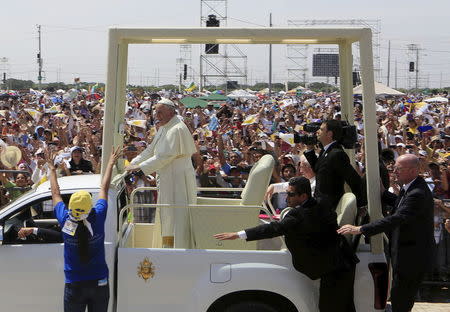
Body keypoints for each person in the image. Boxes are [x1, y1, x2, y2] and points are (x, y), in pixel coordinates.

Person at [214, 177, 358, 312]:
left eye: (291, 194)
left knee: (331, 308)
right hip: (343, 261)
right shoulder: (322, 203)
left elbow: (273, 229)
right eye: (286, 193)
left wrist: (238, 235)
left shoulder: (298, 215)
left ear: (303, 196)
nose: (286, 198)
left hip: (334, 269)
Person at [338, 154, 434, 312]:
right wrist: (383, 193)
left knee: (400, 298)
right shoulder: (410, 187)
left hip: (412, 257)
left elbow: (397, 218)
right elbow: (399, 205)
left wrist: (361, 229)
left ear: (412, 170)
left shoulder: (417, 193)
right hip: (405, 255)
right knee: (399, 296)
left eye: (398, 168)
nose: (394, 171)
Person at [47, 146, 121, 312]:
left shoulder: (65, 219)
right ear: (90, 206)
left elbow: (55, 193)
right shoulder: (98, 215)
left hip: (75, 285)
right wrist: (110, 163)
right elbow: (104, 188)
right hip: (99, 283)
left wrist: (52, 169)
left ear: (70, 207)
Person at [125, 98, 197, 248]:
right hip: (167, 179)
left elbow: (164, 156)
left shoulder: (177, 129)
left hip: (178, 180)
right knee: (166, 214)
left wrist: (139, 168)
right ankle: (166, 247)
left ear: (171, 112)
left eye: (160, 112)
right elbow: (151, 150)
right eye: (156, 112)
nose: (157, 115)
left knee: (176, 216)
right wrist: (132, 164)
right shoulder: (165, 128)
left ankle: (178, 247)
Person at [304, 120, 363, 210]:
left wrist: (361, 205)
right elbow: (318, 170)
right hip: (319, 205)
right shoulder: (325, 151)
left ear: (329, 134)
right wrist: (309, 149)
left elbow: (354, 180)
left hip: (330, 208)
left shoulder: (337, 154)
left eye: (321, 129)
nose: (317, 132)